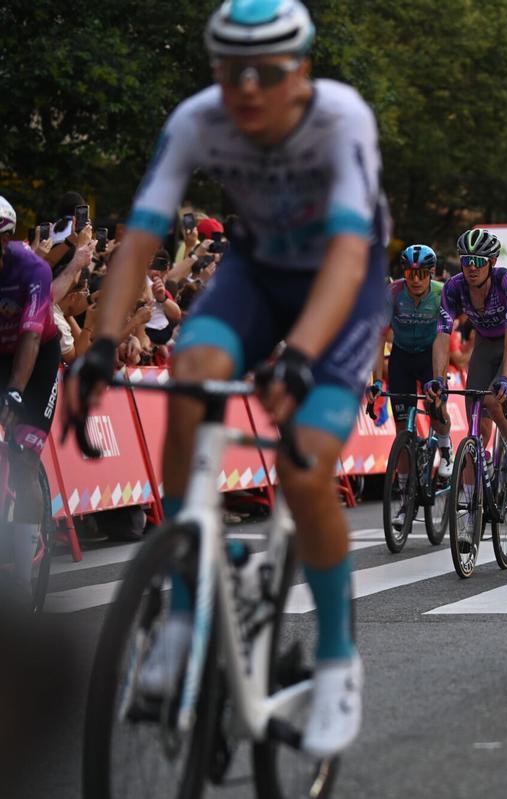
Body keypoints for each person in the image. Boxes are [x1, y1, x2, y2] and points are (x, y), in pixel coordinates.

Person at [64, 0, 387, 757]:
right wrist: (100, 347)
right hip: (255, 273)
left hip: (340, 283)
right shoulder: (198, 118)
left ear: (300, 71)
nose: (245, 89)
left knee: (304, 465)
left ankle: (339, 663)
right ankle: (185, 608)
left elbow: (346, 255)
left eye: (266, 73)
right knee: (192, 379)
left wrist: (302, 356)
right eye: (229, 71)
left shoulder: (341, 119)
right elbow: (140, 233)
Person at [425, 229, 507, 491]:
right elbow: (442, 335)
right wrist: (439, 379)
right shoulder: (454, 287)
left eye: (479, 261)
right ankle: (470, 508)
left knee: (494, 401)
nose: (472, 267)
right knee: (476, 425)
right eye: (466, 260)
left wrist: (506, 378)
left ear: (492, 262)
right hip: (485, 342)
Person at [0, 196, 66, 601]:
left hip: (37, 360)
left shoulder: (33, 269)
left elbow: (28, 336)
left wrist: (14, 392)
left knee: (23, 459)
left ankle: (24, 582)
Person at [370, 244, 452, 478]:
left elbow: (443, 340)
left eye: (422, 274)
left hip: (430, 355)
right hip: (402, 357)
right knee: (401, 429)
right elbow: (378, 340)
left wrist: (439, 379)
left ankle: (445, 447)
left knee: (436, 407)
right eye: (409, 274)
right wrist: (377, 381)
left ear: (432, 273)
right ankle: (405, 488)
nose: (415, 280)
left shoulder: (441, 294)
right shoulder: (393, 293)